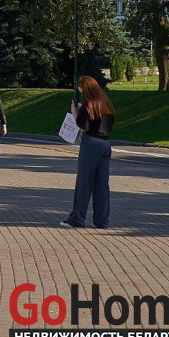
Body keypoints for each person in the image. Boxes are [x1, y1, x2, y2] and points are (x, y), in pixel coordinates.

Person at [61, 76, 115, 229]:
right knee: (102, 184)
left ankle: (77, 218)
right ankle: (101, 220)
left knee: (84, 182)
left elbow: (83, 125)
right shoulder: (106, 103)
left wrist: (75, 112)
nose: (81, 93)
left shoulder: (90, 104)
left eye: (81, 90)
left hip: (91, 143)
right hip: (105, 144)